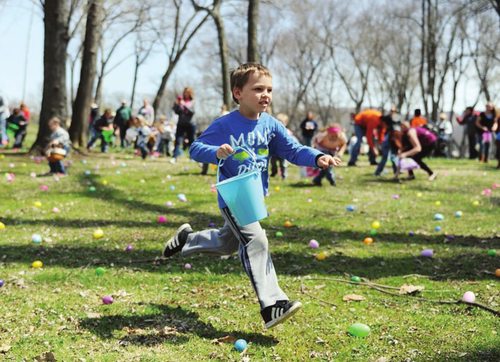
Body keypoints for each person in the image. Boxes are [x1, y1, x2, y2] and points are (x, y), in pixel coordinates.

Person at [162, 63, 341, 329]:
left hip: (255, 195)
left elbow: (292, 150)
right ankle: (272, 305)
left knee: (226, 243)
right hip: (234, 196)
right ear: (238, 93)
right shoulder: (225, 124)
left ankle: (187, 239)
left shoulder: (271, 125)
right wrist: (216, 152)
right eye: (258, 89)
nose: (265, 95)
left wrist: (317, 156)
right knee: (256, 240)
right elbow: (196, 148)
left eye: (269, 89)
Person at [374, 107, 400, 176]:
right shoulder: (387, 118)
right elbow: (381, 118)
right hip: (388, 138)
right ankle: (378, 172)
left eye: (394, 111)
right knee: (385, 156)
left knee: (394, 156)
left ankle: (396, 171)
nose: (393, 112)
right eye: (392, 111)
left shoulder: (397, 119)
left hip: (394, 138)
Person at [172, 87, 196, 161]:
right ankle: (175, 157)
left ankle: (192, 157)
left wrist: (184, 105)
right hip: (181, 123)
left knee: (191, 140)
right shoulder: (181, 101)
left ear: (190, 93)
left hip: (190, 123)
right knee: (178, 140)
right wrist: (177, 105)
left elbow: (192, 112)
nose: (185, 94)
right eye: (185, 92)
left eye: (187, 92)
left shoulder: (193, 102)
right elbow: (176, 111)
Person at [270, 113, 294, 179]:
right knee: (273, 163)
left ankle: (284, 175)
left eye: (282, 122)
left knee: (283, 164)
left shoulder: (287, 131)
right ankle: (273, 172)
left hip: (283, 151)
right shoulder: (273, 130)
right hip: (274, 150)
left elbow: (290, 140)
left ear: (285, 123)